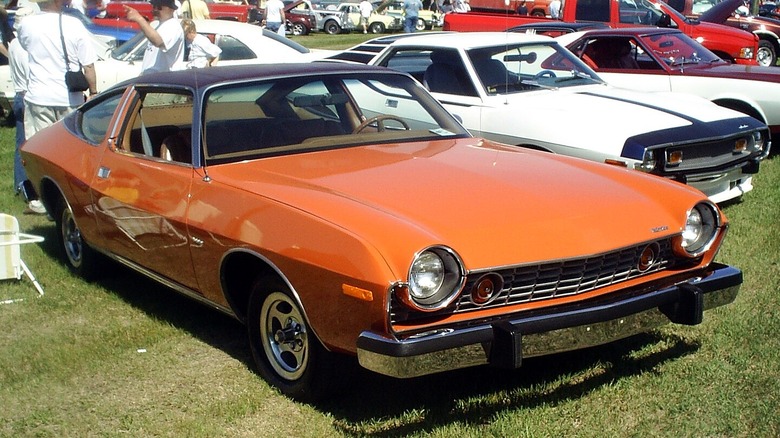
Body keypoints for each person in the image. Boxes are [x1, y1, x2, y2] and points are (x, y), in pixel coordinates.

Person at [17, 0, 97, 215]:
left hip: (39, 94)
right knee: (73, 149)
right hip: (69, 96)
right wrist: (94, 91)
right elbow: (87, 64)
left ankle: (44, 198)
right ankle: (76, 196)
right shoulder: (73, 25)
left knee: (41, 148)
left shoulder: (26, 24)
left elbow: (25, 46)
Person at [8, 7, 41, 213]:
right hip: (29, 95)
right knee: (34, 143)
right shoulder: (27, 46)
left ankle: (20, 184)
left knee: (20, 142)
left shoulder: (12, 43)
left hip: (18, 94)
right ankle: (32, 190)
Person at [125, 0, 185, 74]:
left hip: (162, 81)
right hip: (150, 79)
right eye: (154, 6)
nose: (155, 9)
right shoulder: (157, 25)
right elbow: (149, 59)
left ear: (171, 9)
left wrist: (139, 19)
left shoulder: (173, 25)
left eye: (159, 7)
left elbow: (158, 41)